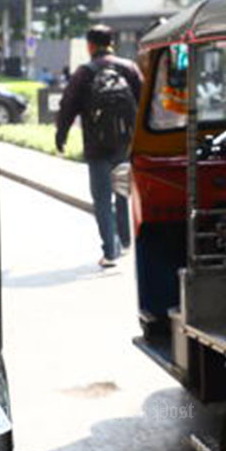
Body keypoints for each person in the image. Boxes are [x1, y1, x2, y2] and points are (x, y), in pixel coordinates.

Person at [55, 24, 143, 268]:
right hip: (125, 143)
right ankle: (125, 241)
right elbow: (144, 101)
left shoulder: (85, 72)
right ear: (111, 42)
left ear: (90, 45)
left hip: (96, 145)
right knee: (122, 191)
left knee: (102, 199)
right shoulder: (128, 68)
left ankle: (110, 252)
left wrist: (61, 136)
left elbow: (68, 105)